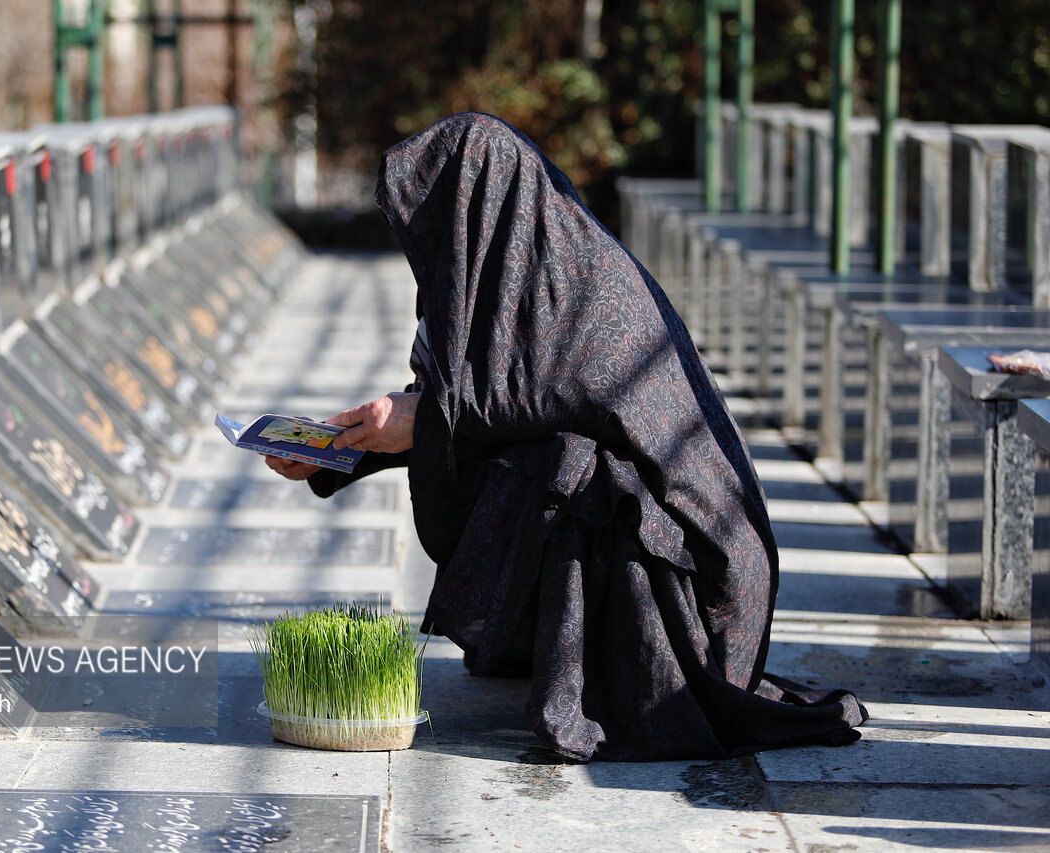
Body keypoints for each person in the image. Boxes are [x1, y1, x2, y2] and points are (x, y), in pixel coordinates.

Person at [264, 112, 866, 762]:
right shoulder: (509, 276)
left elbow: (501, 407)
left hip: (705, 585)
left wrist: (420, 420)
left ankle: (606, 686)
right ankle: (561, 653)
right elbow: (477, 401)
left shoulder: (591, 295)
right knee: (544, 458)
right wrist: (337, 452)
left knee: (571, 469)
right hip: (672, 551)